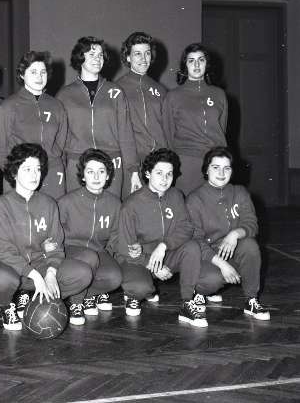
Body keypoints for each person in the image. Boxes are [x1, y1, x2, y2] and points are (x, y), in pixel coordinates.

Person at [0, 143, 93, 330]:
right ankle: (7, 305)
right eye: (27, 169)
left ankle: (36, 299)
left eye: (37, 169)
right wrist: (35, 276)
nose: (34, 175)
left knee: (83, 273)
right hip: (10, 267)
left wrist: (51, 272)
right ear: (14, 173)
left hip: (40, 265)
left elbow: (55, 244)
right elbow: (3, 251)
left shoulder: (48, 204)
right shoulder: (0, 205)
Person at [115, 148, 209, 328]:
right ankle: (134, 294)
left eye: (169, 174)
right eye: (159, 173)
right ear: (147, 173)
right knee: (141, 288)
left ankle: (187, 303)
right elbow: (125, 249)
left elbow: (186, 227)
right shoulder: (131, 205)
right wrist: (151, 264)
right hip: (139, 260)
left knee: (192, 247)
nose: (165, 179)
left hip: (165, 254)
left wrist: (164, 245)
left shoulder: (176, 195)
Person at [186, 147, 270, 320]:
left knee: (250, 245)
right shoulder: (195, 199)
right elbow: (195, 241)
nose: (221, 173)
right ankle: (199, 291)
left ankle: (251, 300)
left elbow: (251, 224)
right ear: (206, 170)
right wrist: (223, 265)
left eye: (227, 168)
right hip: (206, 256)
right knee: (211, 281)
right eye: (216, 167)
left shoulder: (240, 192)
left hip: (231, 250)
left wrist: (235, 234)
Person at [57, 36, 140, 199]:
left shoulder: (116, 92)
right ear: (80, 57)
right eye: (92, 54)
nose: (97, 59)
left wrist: (133, 170)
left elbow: (126, 134)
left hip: (111, 163)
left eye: (100, 55)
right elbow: (60, 138)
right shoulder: (65, 95)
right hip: (77, 164)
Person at [58, 149, 122, 324]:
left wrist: (109, 254)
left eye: (101, 171)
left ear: (108, 176)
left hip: (98, 251)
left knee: (114, 277)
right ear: (83, 176)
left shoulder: (114, 203)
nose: (96, 176)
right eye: (90, 171)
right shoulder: (66, 201)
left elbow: (115, 236)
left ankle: (87, 295)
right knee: (88, 256)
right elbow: (54, 234)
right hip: (70, 251)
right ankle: (76, 303)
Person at [0, 51, 68, 199]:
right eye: (33, 72)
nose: (39, 77)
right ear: (22, 74)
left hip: (52, 175)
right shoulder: (8, 107)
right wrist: (15, 171)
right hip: (21, 174)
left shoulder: (57, 106)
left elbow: (62, 144)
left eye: (43, 72)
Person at [162, 43, 227, 196]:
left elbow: (221, 129)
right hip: (187, 164)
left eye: (201, 60)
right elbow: (167, 135)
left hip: (216, 163)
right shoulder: (173, 96)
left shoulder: (219, 94)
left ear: (207, 64)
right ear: (185, 65)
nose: (196, 65)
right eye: (191, 61)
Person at [117, 31, 167, 165]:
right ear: (128, 57)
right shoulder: (117, 89)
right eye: (138, 54)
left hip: (160, 161)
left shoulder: (161, 90)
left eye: (147, 53)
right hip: (132, 161)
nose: (144, 59)